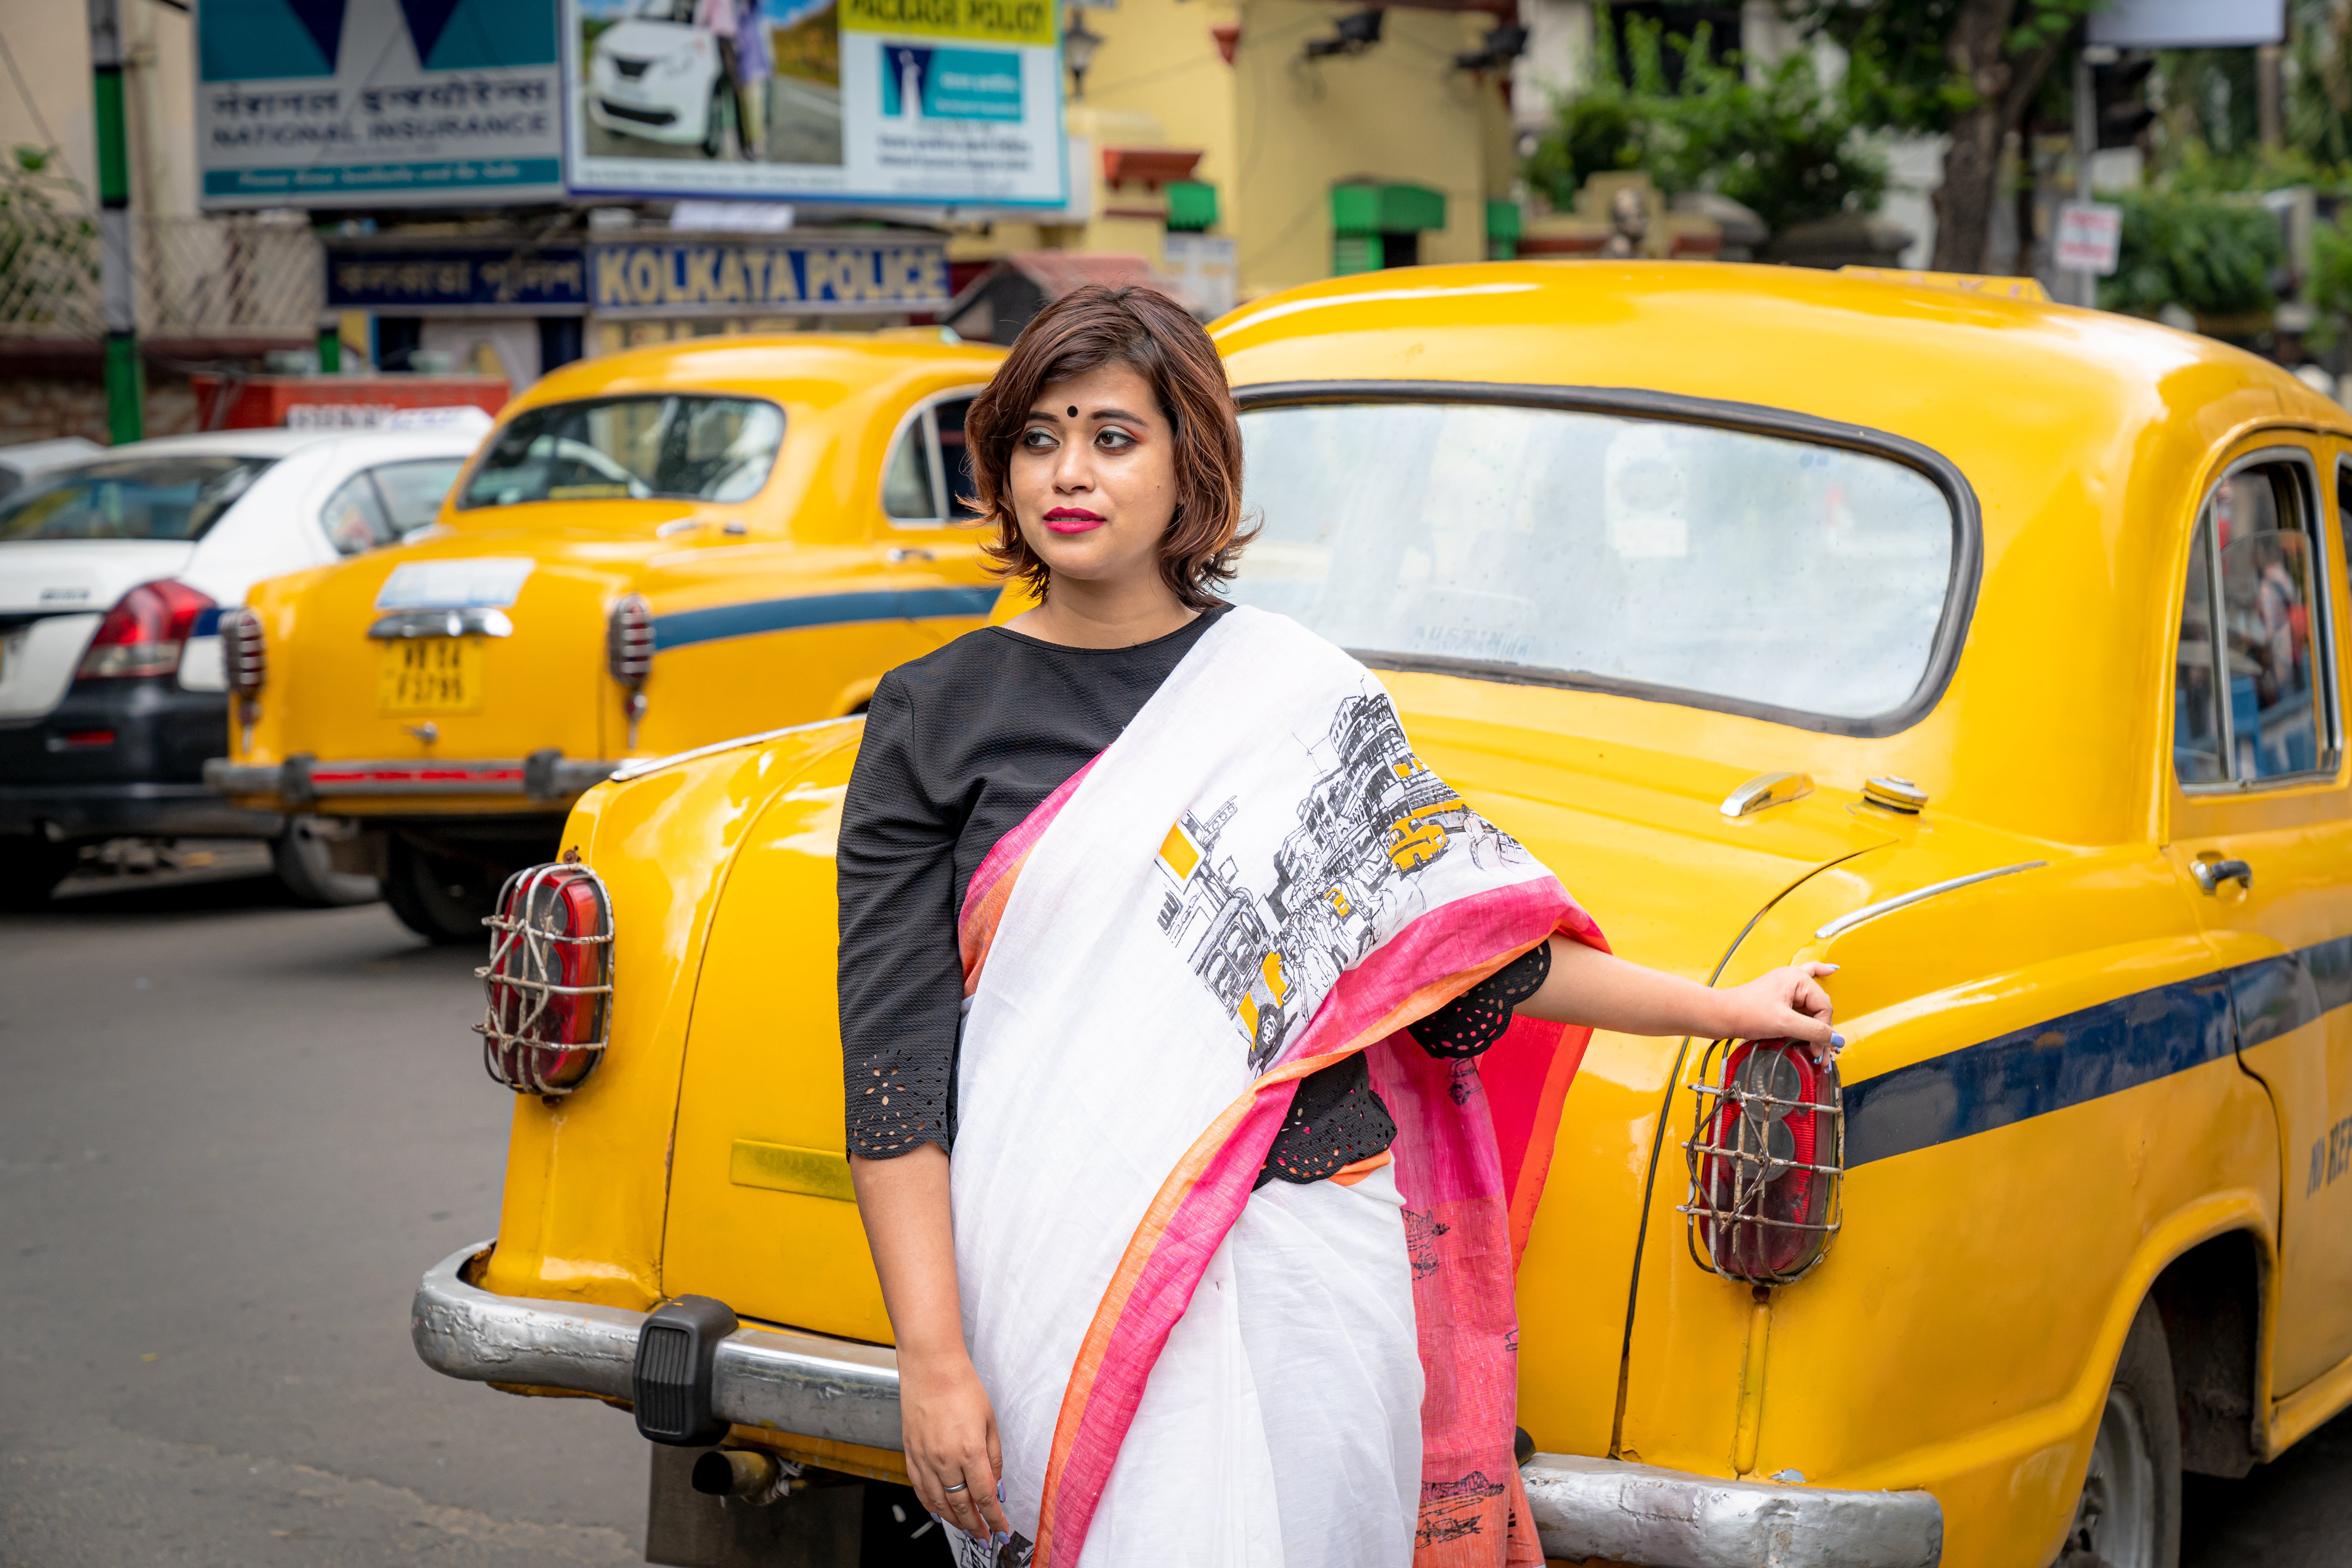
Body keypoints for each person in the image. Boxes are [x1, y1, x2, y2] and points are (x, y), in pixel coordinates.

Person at [835, 285, 1842, 1568]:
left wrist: (1727, 1009)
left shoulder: (1297, 697)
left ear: (1191, 466)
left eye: (1113, 437)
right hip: (1060, 1271)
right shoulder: (932, 714)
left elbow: (1468, 952)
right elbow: (894, 1068)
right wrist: (932, 1361)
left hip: (1308, 1264)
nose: (1069, 473)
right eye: (1039, 438)